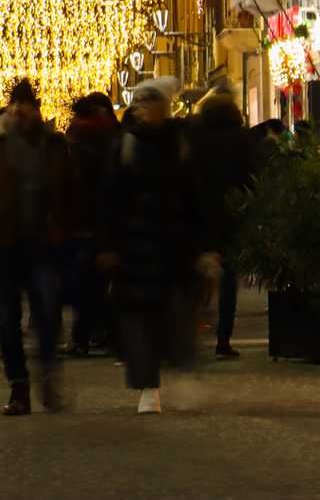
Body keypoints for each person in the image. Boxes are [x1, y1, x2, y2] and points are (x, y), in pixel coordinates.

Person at [0, 79, 73, 416]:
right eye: (16, 106)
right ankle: (19, 387)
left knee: (48, 314)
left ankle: (48, 374)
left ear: (36, 110)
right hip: (4, 243)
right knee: (8, 319)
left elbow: (69, 187)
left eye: (26, 106)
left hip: (42, 242)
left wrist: (64, 225)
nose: (20, 112)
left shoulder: (52, 143)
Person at [100, 78, 206, 415]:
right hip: (136, 247)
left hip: (174, 245)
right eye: (141, 104)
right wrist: (110, 244)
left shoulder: (180, 144)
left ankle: (180, 372)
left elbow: (196, 197)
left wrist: (204, 244)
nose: (144, 110)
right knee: (140, 322)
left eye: (150, 103)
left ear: (164, 106)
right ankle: (149, 388)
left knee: (176, 315)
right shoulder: (125, 145)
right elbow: (110, 200)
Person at [185, 83, 255, 360]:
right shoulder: (241, 138)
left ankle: (193, 329)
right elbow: (251, 174)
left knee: (200, 276)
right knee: (228, 281)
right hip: (231, 213)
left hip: (200, 213)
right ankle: (223, 339)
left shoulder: (195, 137)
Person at [64, 93, 120, 356]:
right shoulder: (113, 137)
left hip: (81, 222)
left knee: (84, 285)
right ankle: (105, 334)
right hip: (105, 222)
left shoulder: (76, 139)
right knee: (103, 283)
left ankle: (83, 337)